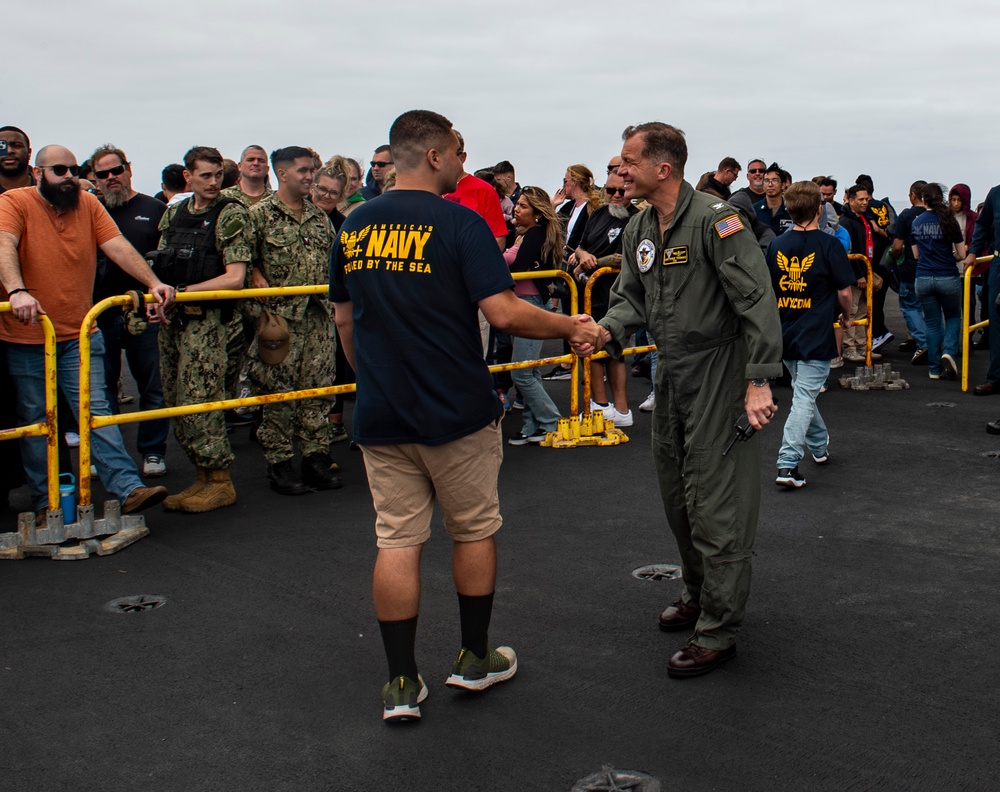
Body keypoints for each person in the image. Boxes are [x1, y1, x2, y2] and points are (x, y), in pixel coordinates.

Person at [329, 109, 603, 722]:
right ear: (432, 156)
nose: (461, 160)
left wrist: (369, 376)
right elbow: (504, 313)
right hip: (456, 406)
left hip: (383, 410)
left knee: (396, 540)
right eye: (456, 150)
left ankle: (401, 682)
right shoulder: (460, 222)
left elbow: (344, 318)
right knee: (473, 530)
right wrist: (573, 326)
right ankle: (475, 659)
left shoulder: (352, 226)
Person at [598, 122, 782, 678]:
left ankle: (719, 630)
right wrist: (603, 331)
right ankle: (698, 592)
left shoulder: (716, 220)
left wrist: (760, 378)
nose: (618, 171)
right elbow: (628, 296)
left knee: (717, 503)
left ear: (663, 168)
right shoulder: (639, 229)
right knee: (679, 495)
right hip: (672, 375)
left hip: (720, 372)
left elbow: (755, 298)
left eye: (628, 162)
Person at [0, 144, 172, 524]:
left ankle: (128, 489)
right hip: (27, 335)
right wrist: (17, 291)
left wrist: (153, 283)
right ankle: (46, 503)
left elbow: (116, 246)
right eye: (58, 169)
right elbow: (3, 245)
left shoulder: (89, 205)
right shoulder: (14, 202)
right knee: (36, 420)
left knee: (96, 412)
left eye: (73, 169)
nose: (68, 176)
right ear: (38, 172)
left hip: (80, 330)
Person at [152, 146, 252, 513]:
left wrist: (180, 294)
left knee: (201, 401)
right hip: (176, 319)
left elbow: (235, 278)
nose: (213, 182)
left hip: (210, 321)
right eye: (205, 176)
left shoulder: (230, 213)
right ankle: (201, 477)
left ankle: (220, 481)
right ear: (187, 177)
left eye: (217, 175)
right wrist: (162, 297)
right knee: (177, 401)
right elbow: (161, 258)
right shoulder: (176, 212)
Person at [247, 146, 340, 495]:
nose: (309, 176)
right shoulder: (259, 215)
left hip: (317, 317)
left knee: (318, 391)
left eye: (311, 170)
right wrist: (256, 274)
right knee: (277, 393)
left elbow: (334, 261)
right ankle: (280, 463)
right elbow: (243, 262)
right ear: (282, 174)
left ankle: (316, 458)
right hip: (279, 318)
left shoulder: (319, 217)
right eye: (302, 170)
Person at [766, 181, 854, 488]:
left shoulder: (777, 245)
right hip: (816, 334)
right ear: (820, 208)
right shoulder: (831, 246)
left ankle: (818, 447)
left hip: (786, 331)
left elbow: (770, 289)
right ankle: (787, 463)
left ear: (789, 210)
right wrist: (847, 314)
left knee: (804, 393)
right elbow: (844, 290)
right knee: (804, 396)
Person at [89, 144, 170, 478]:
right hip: (100, 313)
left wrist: (159, 299)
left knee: (152, 385)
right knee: (101, 390)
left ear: (129, 169)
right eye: (103, 174)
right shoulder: (88, 209)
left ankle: (153, 451)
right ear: (94, 178)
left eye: (116, 170)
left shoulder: (154, 208)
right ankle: (107, 456)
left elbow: (165, 259)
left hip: (144, 311)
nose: (112, 178)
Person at [569, 169, 639, 425]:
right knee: (595, 349)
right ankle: (604, 406)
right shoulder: (598, 213)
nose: (617, 196)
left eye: (622, 191)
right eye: (610, 191)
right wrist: (582, 255)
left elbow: (623, 257)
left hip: (614, 295)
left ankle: (615, 408)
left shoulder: (636, 219)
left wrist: (590, 262)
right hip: (589, 293)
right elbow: (579, 243)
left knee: (611, 351)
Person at [503, 185, 567, 444]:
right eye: (517, 204)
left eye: (523, 206)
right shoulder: (524, 234)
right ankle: (532, 426)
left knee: (521, 372)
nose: (516, 209)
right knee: (530, 371)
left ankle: (550, 420)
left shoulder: (535, 234)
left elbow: (517, 267)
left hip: (530, 305)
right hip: (520, 302)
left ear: (537, 213)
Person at [912, 183, 966, 380]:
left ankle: (934, 369)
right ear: (941, 198)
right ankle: (949, 352)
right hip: (947, 276)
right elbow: (961, 254)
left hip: (923, 277)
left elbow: (916, 255)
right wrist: (951, 256)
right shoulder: (949, 220)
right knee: (953, 316)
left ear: (923, 199)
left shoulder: (916, 223)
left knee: (932, 323)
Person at [838, 184, 880, 363]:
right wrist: (857, 275)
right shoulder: (847, 221)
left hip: (867, 269)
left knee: (864, 310)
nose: (865, 203)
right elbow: (850, 250)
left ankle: (863, 345)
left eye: (866, 199)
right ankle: (850, 347)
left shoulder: (864, 218)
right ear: (851, 200)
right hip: (856, 274)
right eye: (861, 200)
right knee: (852, 310)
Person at [891, 180, 929, 363]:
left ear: (913, 195)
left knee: (909, 306)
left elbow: (897, 246)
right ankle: (935, 343)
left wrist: (892, 258)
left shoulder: (906, 215)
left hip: (910, 268)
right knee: (930, 309)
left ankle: (923, 342)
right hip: (934, 268)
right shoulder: (937, 214)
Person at [753, 163, 792, 235]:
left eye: (775, 180)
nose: (770, 184)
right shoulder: (754, 210)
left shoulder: (792, 210)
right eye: (766, 181)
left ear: (783, 185)